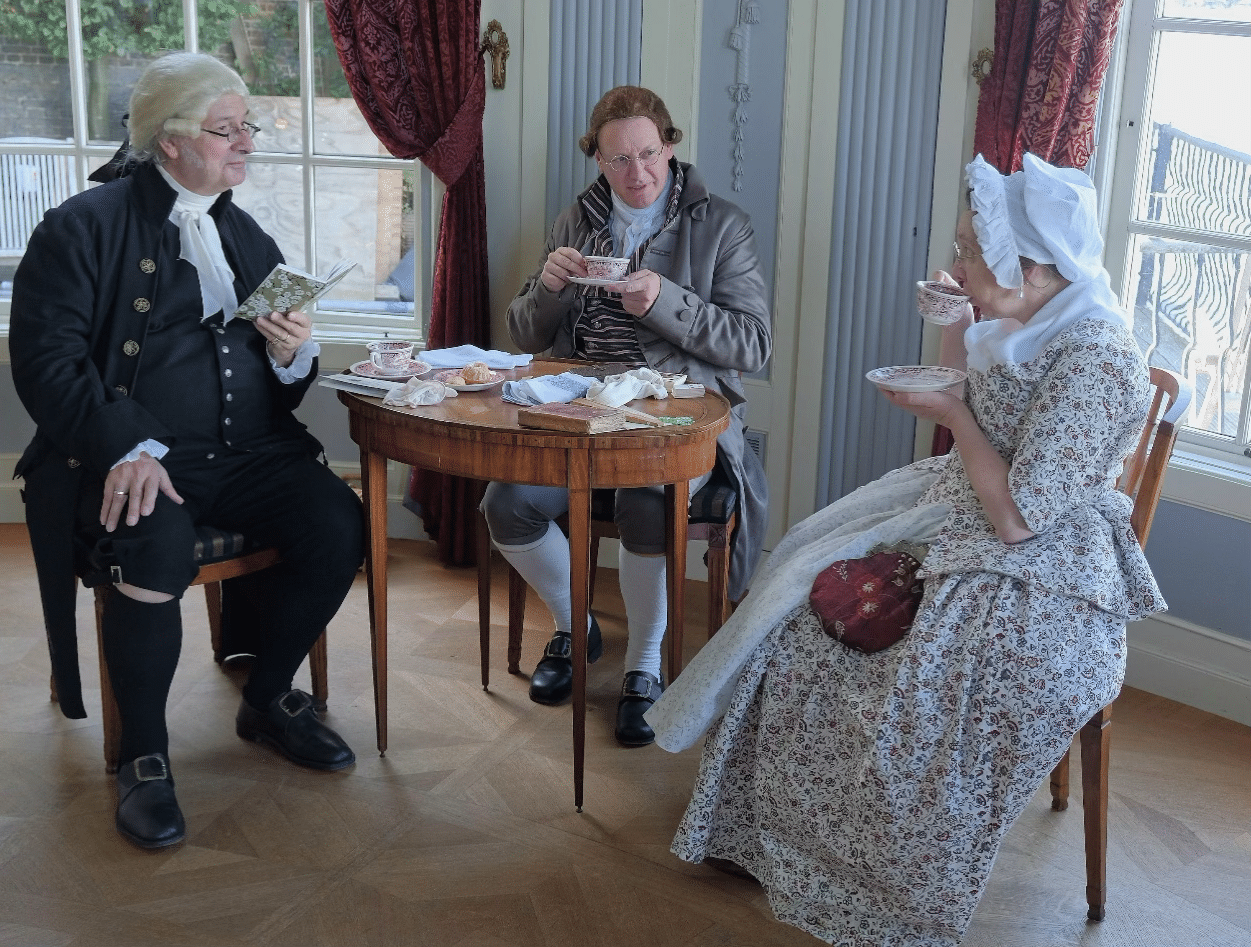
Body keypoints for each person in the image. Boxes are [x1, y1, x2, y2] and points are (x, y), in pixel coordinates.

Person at [646, 153, 1167, 945]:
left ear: (1031, 269)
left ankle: (881, 880)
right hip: (966, 501)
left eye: (970, 251)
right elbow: (970, 395)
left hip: (1043, 566)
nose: (957, 261)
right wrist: (957, 323)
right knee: (796, 607)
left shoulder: (1096, 361)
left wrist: (951, 414)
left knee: (915, 686)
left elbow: (1017, 518)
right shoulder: (1028, 311)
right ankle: (769, 834)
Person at [9, 52, 365, 850]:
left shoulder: (244, 231)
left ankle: (267, 698)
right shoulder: (80, 226)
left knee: (337, 525)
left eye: (248, 126)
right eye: (226, 129)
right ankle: (144, 757)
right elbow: (46, 362)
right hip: (132, 459)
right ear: (169, 141)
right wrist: (125, 446)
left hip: (248, 454)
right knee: (153, 540)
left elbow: (280, 385)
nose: (247, 143)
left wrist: (291, 352)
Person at [480, 86, 772, 747]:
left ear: (669, 146)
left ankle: (643, 666)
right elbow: (525, 334)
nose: (636, 173)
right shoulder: (574, 221)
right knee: (507, 504)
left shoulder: (722, 225)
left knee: (647, 504)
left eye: (648, 154)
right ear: (597, 159)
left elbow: (753, 345)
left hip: (675, 418)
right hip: (578, 414)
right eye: (618, 159)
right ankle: (573, 623)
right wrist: (548, 287)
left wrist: (665, 301)